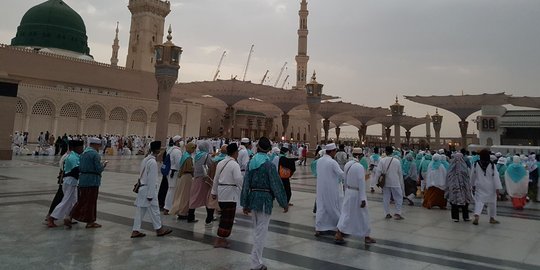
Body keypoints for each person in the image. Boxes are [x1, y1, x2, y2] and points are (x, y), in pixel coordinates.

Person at [241, 137, 288, 270]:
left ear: (257, 148)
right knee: (261, 232)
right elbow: (276, 184)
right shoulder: (269, 165)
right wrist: (283, 202)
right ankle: (255, 264)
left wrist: (245, 203)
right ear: (268, 150)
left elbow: (246, 184)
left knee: (257, 230)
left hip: (253, 198)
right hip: (265, 201)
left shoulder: (251, 162)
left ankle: (256, 261)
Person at [131, 141, 173, 238]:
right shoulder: (153, 162)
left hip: (142, 188)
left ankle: (135, 230)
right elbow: (152, 180)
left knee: (140, 211)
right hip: (149, 190)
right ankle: (159, 230)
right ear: (158, 151)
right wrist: (150, 195)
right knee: (155, 211)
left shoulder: (145, 159)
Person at [335, 148, 376, 245]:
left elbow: (345, 179)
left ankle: (340, 233)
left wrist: (346, 191)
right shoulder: (359, 167)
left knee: (346, 213)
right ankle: (365, 236)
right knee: (363, 214)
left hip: (349, 191)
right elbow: (361, 183)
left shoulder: (347, 164)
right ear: (359, 155)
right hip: (357, 193)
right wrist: (362, 199)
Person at [70, 137, 107, 228]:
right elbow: (98, 169)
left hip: (83, 180)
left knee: (82, 200)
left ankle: (70, 216)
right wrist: (104, 165)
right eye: (98, 145)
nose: (99, 147)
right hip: (92, 181)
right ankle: (90, 221)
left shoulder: (83, 153)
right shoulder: (95, 154)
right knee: (91, 202)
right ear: (95, 145)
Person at [212, 143, 243, 248]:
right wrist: (243, 190)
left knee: (224, 216)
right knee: (228, 218)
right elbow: (238, 179)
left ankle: (221, 238)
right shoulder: (234, 164)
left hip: (221, 192)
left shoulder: (221, 163)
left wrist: (214, 192)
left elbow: (216, 178)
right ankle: (220, 239)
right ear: (235, 153)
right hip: (230, 194)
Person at [47, 140, 84, 228]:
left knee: (74, 201)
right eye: (81, 148)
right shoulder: (72, 157)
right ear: (76, 148)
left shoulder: (75, 156)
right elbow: (76, 170)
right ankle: (51, 218)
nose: (82, 149)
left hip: (72, 181)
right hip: (70, 181)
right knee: (66, 201)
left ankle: (68, 218)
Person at [315, 143, 345, 236]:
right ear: (332, 151)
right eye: (335, 151)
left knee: (321, 207)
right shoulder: (332, 162)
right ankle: (340, 227)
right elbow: (341, 174)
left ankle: (318, 228)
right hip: (331, 189)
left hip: (320, 189)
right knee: (333, 207)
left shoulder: (319, 161)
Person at [188, 141, 217, 226]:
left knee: (194, 197)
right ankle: (209, 217)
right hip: (204, 179)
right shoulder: (206, 155)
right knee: (208, 197)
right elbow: (211, 164)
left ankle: (190, 215)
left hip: (197, 178)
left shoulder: (197, 155)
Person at [471, 149, 502, 225]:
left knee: (479, 201)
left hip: (480, 185)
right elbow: (496, 177)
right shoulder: (492, 165)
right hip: (490, 186)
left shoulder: (475, 164)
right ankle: (492, 218)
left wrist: (472, 184)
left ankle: (477, 216)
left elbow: (472, 175)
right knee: (492, 202)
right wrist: (497, 187)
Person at [372, 146, 405, 220]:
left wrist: (376, 182)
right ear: (392, 152)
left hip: (385, 182)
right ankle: (398, 213)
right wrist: (401, 183)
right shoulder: (397, 161)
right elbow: (400, 173)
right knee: (398, 197)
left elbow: (378, 172)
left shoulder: (382, 161)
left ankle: (387, 213)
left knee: (386, 197)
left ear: (386, 152)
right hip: (395, 182)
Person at [170, 142, 197, 221]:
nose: (193, 150)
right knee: (185, 195)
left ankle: (181, 211)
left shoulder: (185, 155)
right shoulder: (188, 157)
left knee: (182, 195)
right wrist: (194, 169)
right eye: (192, 148)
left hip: (183, 177)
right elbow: (188, 168)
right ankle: (183, 212)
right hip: (187, 177)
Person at [444, 153, 473, 222]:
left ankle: (455, 217)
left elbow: (447, 177)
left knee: (454, 202)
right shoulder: (464, 166)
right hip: (463, 187)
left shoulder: (451, 167)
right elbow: (468, 176)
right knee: (465, 202)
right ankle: (465, 217)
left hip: (453, 187)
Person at [164, 136, 183, 215]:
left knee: (172, 190)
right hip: (174, 173)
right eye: (181, 140)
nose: (182, 142)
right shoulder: (176, 151)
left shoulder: (171, 150)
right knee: (172, 190)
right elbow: (179, 164)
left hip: (172, 172)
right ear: (177, 142)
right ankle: (167, 208)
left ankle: (170, 207)